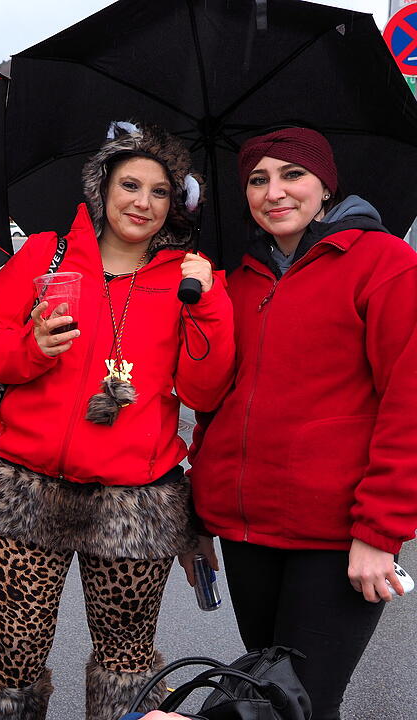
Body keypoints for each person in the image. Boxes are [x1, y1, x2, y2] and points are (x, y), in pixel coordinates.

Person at [0, 121, 235, 720]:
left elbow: (204, 388)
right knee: (14, 660)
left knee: (127, 664)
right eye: (129, 185)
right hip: (23, 493)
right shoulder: (45, 254)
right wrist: (31, 347)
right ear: (101, 189)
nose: (142, 202)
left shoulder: (191, 278)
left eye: (160, 191)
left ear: (177, 203)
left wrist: (208, 302)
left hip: (134, 503)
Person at [187, 126, 417, 720]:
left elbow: (408, 400)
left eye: (292, 174)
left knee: (304, 704)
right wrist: (200, 515)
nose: (274, 192)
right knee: (269, 697)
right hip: (247, 530)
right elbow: (210, 405)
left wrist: (379, 530)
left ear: (325, 186)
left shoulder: (383, 261)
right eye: (258, 180)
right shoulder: (234, 281)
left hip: (335, 533)